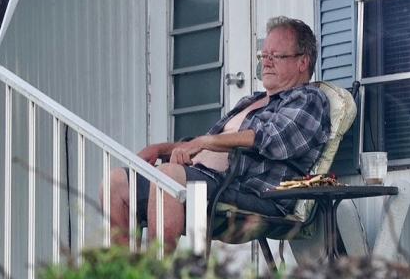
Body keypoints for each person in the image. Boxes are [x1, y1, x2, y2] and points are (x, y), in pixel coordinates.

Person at [107, 16, 331, 251]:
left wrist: (206, 141)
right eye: (264, 56)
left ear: (302, 62)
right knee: (117, 182)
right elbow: (202, 146)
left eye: (276, 56)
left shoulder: (308, 99)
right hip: (206, 178)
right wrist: (163, 149)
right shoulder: (252, 101)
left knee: (168, 176)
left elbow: (274, 140)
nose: (266, 63)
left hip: (250, 191)